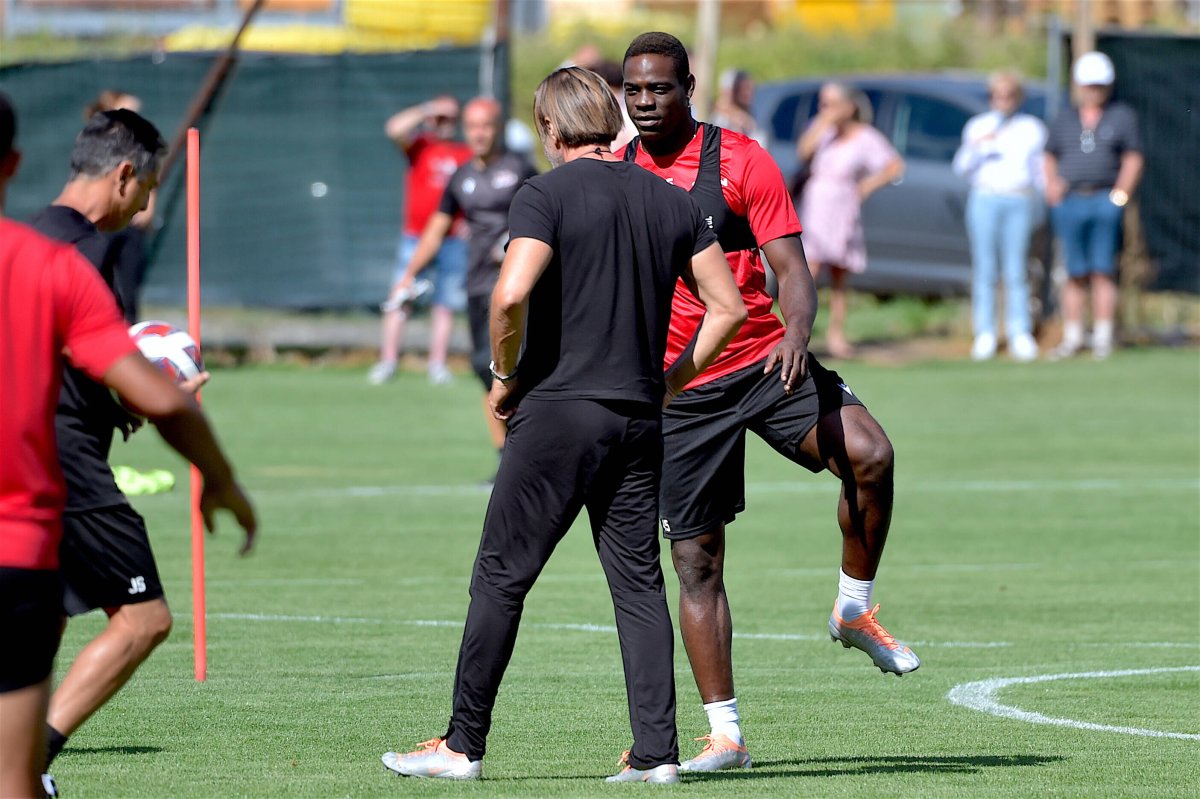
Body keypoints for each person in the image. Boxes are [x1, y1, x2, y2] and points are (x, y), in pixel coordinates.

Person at [381, 66, 746, 784]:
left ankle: (462, 745)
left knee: (499, 577)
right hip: (639, 418)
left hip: (557, 412)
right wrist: (669, 381)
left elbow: (510, 294)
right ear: (612, 122)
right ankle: (657, 755)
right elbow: (728, 307)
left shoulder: (542, 195)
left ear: (550, 129)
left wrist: (503, 374)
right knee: (638, 585)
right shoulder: (670, 200)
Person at [620, 32, 920, 773]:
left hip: (763, 360)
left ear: (690, 86)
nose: (646, 101)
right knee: (696, 560)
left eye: (660, 88)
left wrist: (798, 331)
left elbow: (794, 266)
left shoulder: (742, 159)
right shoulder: (617, 172)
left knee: (871, 453)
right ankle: (726, 735)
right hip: (683, 388)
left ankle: (854, 606)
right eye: (634, 90)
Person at [0, 92, 256, 799]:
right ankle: (32, 764)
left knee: (41, 615)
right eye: (145, 189)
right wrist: (179, 413)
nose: (145, 207)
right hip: (61, 465)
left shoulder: (28, 239)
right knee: (145, 619)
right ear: (121, 176)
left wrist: (115, 399)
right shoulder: (80, 258)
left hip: (39, 454)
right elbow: (154, 395)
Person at [387, 97, 537, 473]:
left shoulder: (521, 171)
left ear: (499, 128)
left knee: (520, 371)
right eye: (472, 127)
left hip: (515, 289)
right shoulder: (461, 177)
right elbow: (436, 230)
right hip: (477, 286)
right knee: (483, 370)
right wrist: (410, 273)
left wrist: (514, 243)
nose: (479, 134)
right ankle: (505, 456)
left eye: (486, 126)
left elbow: (545, 220)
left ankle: (529, 453)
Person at [1044, 50, 1144, 361]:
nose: (1093, 91)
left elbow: (1133, 157)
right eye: (1089, 85)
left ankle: (1102, 337)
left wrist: (1120, 195)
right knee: (1073, 272)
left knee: (1102, 270)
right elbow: (1049, 154)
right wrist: (1052, 185)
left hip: (1104, 200)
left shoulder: (1121, 116)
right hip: (1071, 200)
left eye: (1098, 85)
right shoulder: (1065, 118)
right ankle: (1073, 336)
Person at [795, 82, 905, 359]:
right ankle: (798, 333)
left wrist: (868, 185)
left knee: (840, 274)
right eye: (823, 103)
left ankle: (836, 335)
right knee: (809, 270)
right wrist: (823, 122)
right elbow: (803, 152)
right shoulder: (821, 131)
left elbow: (894, 166)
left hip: (843, 204)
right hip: (817, 203)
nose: (826, 109)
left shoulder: (865, 137)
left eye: (831, 103)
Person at [371, 95, 472, 385]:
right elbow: (393, 129)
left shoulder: (463, 153)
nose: (444, 125)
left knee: (446, 303)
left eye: (450, 119)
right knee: (400, 297)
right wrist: (429, 109)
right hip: (415, 238)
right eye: (440, 119)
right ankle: (387, 362)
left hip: (451, 240)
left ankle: (437, 365)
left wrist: (470, 223)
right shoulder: (420, 147)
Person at [953, 70, 1047, 362]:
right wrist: (978, 146)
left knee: (1016, 268)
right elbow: (962, 167)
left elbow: (1039, 172)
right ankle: (986, 333)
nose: (1002, 100)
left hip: (1018, 199)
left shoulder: (1031, 128)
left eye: (1008, 95)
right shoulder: (978, 126)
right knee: (985, 268)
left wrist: (1041, 204)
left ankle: (1020, 332)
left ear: (1017, 97)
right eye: (997, 95)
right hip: (985, 198)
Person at [83, 90, 156, 325]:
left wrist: (149, 207)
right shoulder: (97, 141)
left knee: (129, 291)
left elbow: (147, 177)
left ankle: (131, 340)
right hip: (104, 223)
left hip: (130, 224)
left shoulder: (139, 144)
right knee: (98, 285)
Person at [710, 68, 765, 146]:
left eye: (749, 88)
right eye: (742, 88)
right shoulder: (717, 119)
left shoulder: (753, 116)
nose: (747, 93)